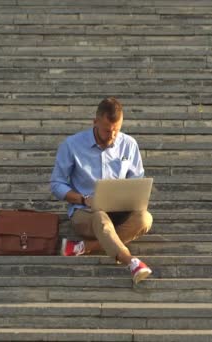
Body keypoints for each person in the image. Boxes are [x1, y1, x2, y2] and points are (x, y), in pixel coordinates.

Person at [50, 97, 153, 284]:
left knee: (145, 218)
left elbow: (137, 180)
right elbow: (56, 184)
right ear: (95, 122)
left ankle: (85, 247)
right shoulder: (71, 145)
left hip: (119, 212)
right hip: (85, 212)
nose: (112, 136)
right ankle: (131, 262)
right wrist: (83, 199)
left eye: (117, 130)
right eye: (107, 130)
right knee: (100, 217)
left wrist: (133, 197)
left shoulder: (129, 144)